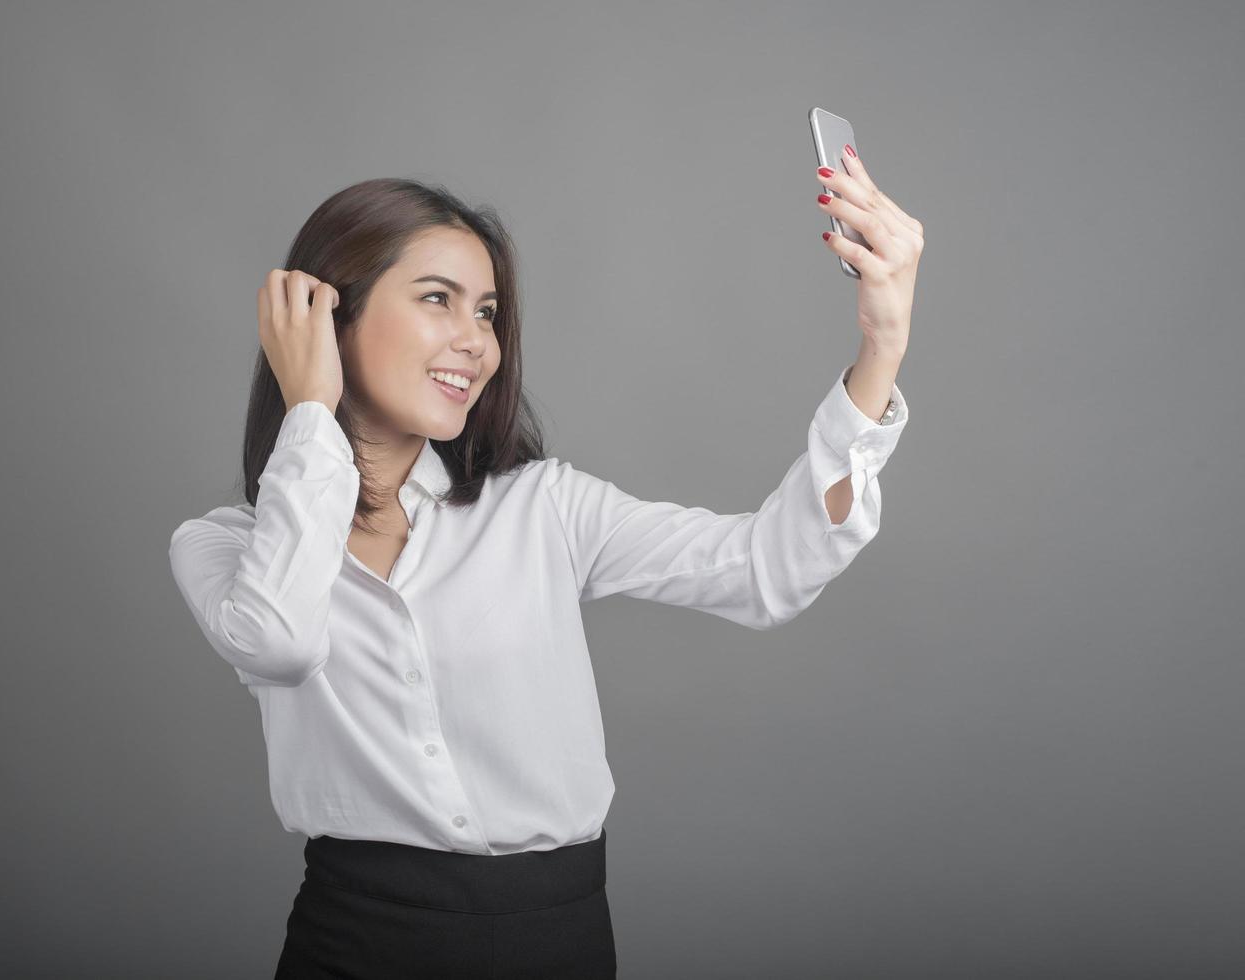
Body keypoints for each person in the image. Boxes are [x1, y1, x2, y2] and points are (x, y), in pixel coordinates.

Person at [167, 169, 920, 977]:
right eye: (437, 299)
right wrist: (311, 406)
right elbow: (280, 642)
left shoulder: (544, 508)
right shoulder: (229, 546)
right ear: (326, 315)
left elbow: (768, 570)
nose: (476, 341)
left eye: (486, 312)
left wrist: (882, 349)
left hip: (553, 941)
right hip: (355, 941)